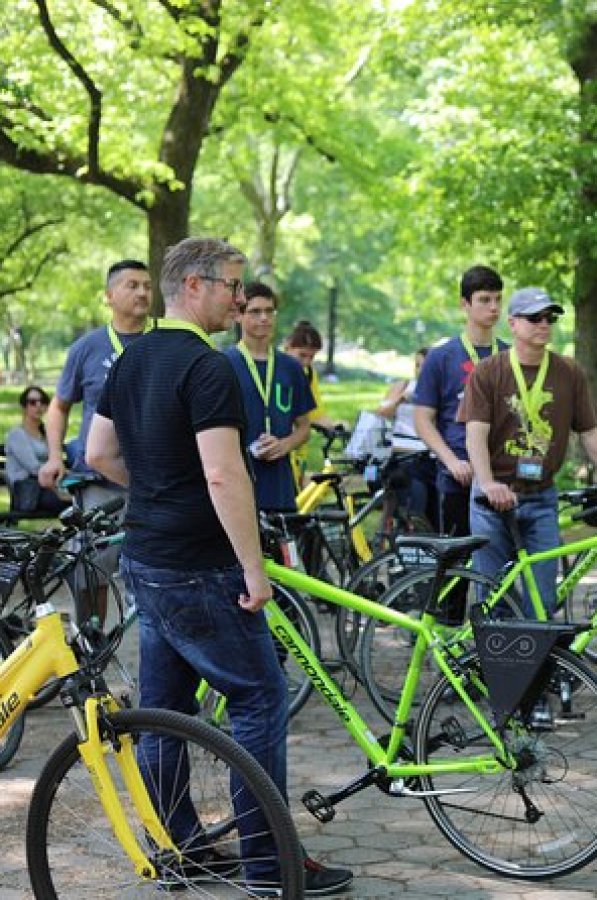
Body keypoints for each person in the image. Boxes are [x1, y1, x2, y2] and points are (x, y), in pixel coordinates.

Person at [85, 236, 352, 895]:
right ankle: (269, 865)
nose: (241, 298)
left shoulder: (133, 356)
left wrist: (155, 491)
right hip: (204, 566)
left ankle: (178, 849)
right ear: (196, 285)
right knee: (260, 699)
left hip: (145, 556)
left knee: (166, 711)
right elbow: (224, 475)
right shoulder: (210, 367)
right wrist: (254, 570)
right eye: (234, 285)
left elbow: (98, 453)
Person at [462, 287, 597, 616]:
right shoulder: (489, 371)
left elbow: (589, 431)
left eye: (550, 318)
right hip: (492, 500)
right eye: (534, 318)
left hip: (541, 497)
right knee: (493, 597)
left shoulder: (568, 372)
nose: (544, 324)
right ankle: (496, 666)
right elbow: (475, 435)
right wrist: (486, 483)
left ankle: (534, 665)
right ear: (513, 324)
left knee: (543, 601)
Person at [38, 259, 152, 509]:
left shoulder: (167, 340)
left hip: (159, 480)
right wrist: (55, 457)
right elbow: (59, 406)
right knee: (104, 549)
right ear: (109, 296)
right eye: (132, 286)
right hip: (101, 483)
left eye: (147, 286)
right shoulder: (87, 348)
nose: (142, 293)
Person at [413, 265, 507, 536]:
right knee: (459, 571)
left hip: (503, 476)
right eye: (484, 300)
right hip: (459, 477)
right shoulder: (440, 357)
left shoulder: (509, 355)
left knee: (504, 569)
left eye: (498, 299)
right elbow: (423, 419)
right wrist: (451, 461)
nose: (493, 308)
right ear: (464, 304)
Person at [224, 283, 316, 512]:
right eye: (255, 311)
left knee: (282, 548)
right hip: (237, 481)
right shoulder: (223, 364)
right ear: (238, 315)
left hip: (280, 486)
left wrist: (285, 445)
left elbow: (304, 427)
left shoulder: (291, 367)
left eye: (270, 311)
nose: (264, 318)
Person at [376, 347, 437, 525]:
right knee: (413, 493)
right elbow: (381, 413)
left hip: (426, 451)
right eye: (417, 366)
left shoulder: (438, 390)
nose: (419, 371)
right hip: (401, 450)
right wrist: (401, 399)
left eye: (424, 367)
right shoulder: (402, 386)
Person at [282, 319, 336, 485]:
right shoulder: (277, 370)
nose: (306, 362)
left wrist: (334, 425)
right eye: (302, 355)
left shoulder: (309, 373)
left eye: (311, 357)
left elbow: (316, 410)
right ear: (287, 347)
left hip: (300, 450)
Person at [5, 386, 69, 516]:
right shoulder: (17, 434)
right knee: (75, 502)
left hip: (48, 487)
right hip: (29, 492)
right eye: (33, 402)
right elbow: (34, 468)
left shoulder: (45, 433)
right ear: (24, 407)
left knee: (81, 499)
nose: (38, 406)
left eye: (43, 401)